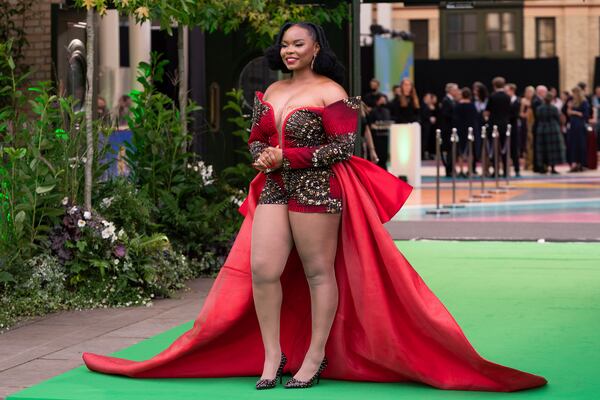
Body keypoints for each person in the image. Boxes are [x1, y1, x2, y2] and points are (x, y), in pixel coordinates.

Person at [81, 21, 547, 393]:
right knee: (263, 269)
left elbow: (344, 146)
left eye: (297, 44)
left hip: (319, 188)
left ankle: (314, 356)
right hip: (275, 186)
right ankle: (271, 356)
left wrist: (290, 156)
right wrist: (262, 154)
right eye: (284, 44)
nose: (288, 51)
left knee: (317, 272)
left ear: (315, 49)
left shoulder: (332, 92)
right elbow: (258, 137)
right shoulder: (273, 91)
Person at [484, 76, 511, 177]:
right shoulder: (507, 97)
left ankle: (496, 170)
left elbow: (487, 111)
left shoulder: (492, 96)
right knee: (504, 147)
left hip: (494, 125)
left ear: (494, 85)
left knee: (494, 148)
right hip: (504, 124)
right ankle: (505, 170)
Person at [535, 92, 565, 174]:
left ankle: (544, 167)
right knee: (553, 150)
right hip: (553, 129)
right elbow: (558, 119)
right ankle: (552, 168)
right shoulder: (554, 108)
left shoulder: (539, 108)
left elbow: (537, 118)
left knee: (542, 149)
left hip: (542, 129)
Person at [452, 87, 479, 177]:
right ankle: (469, 170)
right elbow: (475, 118)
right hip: (470, 130)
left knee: (460, 150)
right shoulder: (472, 106)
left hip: (460, 129)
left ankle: (461, 170)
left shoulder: (457, 106)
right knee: (470, 150)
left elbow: (455, 118)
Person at [566, 85, 590, 172]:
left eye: (574, 93)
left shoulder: (584, 102)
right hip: (572, 125)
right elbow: (568, 113)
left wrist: (574, 112)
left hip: (580, 125)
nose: (572, 95)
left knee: (580, 144)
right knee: (572, 144)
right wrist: (569, 108)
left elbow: (585, 115)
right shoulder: (571, 101)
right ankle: (574, 164)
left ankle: (581, 164)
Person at [368, 93, 392, 169]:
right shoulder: (373, 111)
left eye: (384, 100)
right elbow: (371, 124)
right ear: (377, 101)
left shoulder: (387, 111)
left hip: (385, 136)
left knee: (384, 155)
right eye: (381, 100)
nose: (383, 102)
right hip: (376, 137)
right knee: (378, 154)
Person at [440, 82, 459, 177]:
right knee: (449, 150)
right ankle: (449, 170)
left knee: (452, 150)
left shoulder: (452, 100)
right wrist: (456, 118)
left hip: (451, 129)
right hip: (448, 129)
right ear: (450, 90)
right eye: (455, 90)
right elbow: (445, 114)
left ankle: (451, 168)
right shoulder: (446, 101)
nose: (457, 91)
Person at [506, 83, 522, 177]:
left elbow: (516, 114)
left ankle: (517, 169)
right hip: (507, 126)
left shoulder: (518, 100)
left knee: (514, 149)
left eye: (507, 90)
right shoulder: (506, 100)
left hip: (514, 127)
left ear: (512, 90)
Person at [520, 86, 535, 170]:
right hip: (525, 124)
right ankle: (527, 163)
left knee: (531, 143)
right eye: (528, 92)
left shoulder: (534, 101)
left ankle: (532, 162)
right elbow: (521, 113)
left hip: (532, 123)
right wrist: (527, 114)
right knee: (526, 143)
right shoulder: (523, 101)